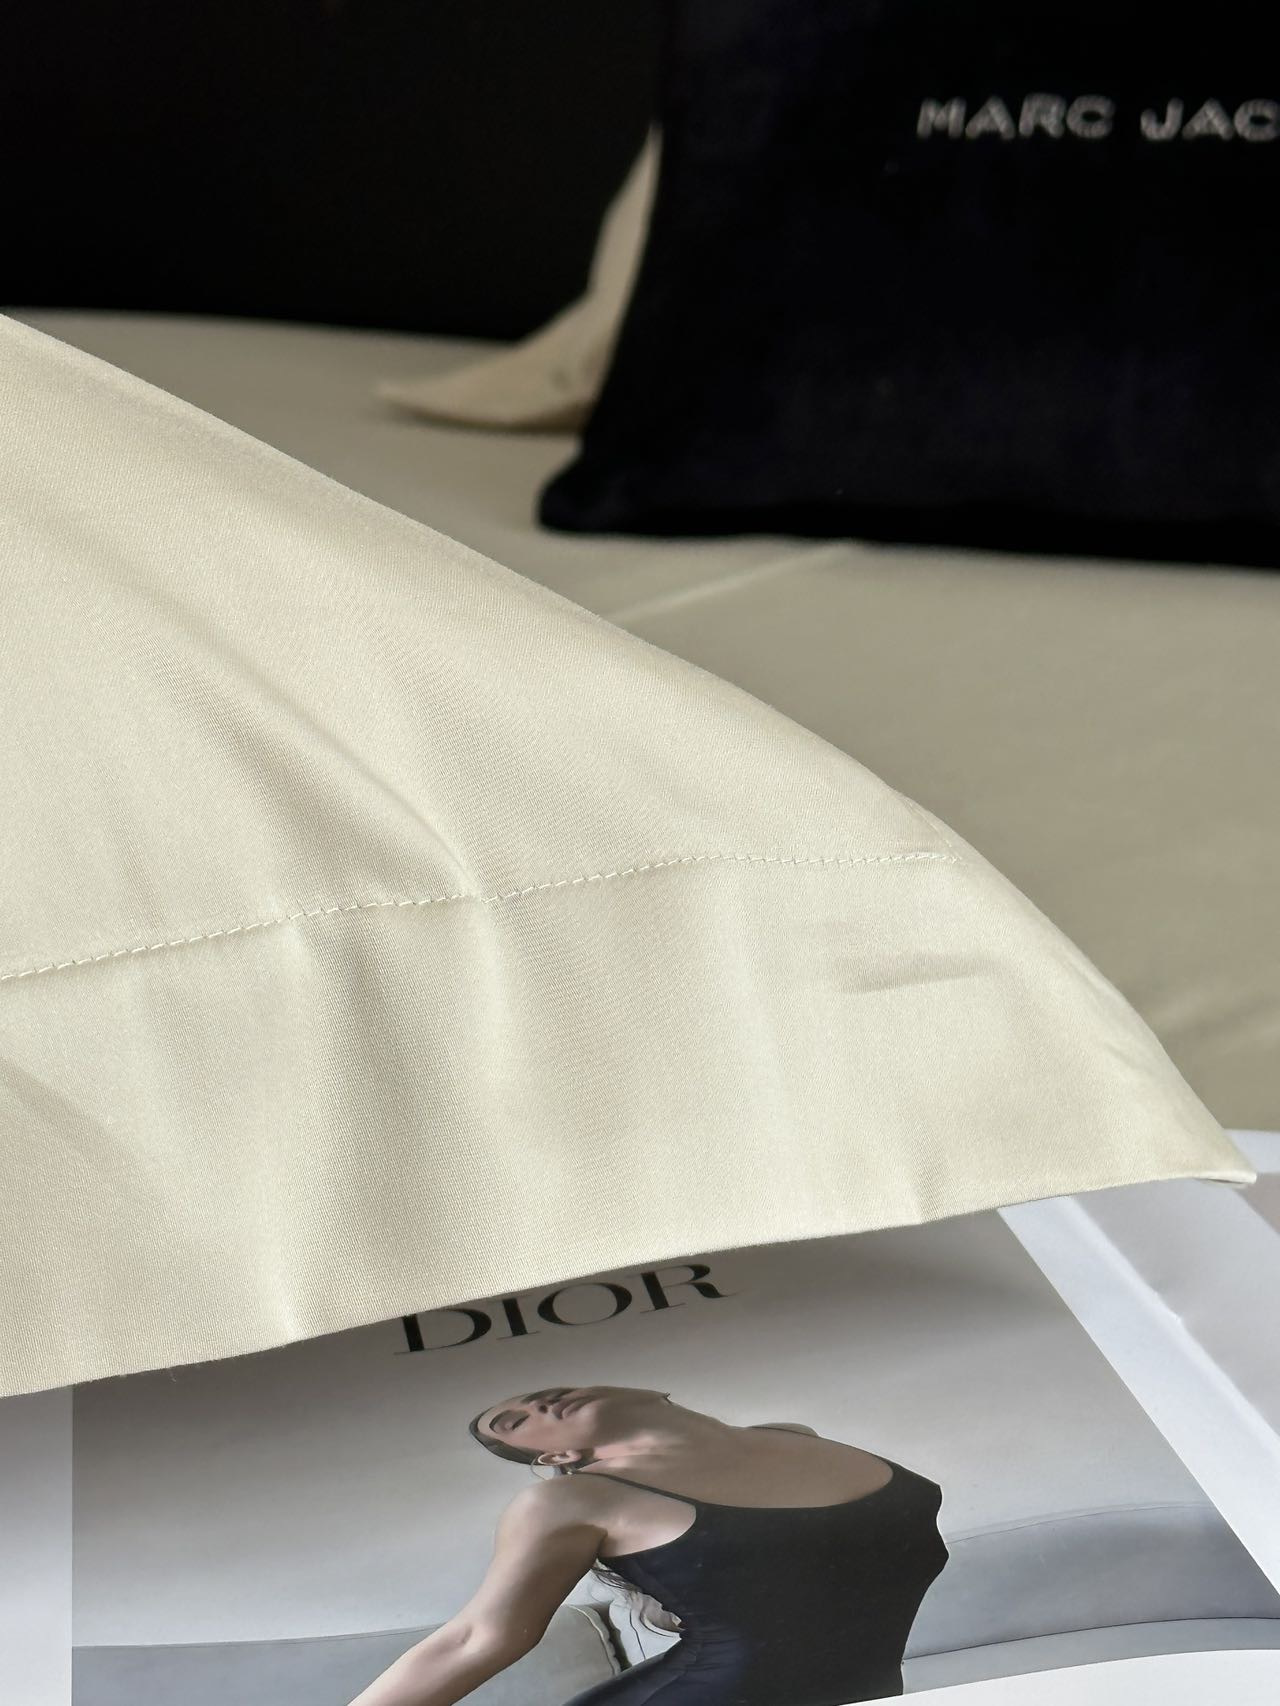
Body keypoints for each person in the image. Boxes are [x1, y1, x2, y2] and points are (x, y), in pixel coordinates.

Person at [345, 1384, 948, 1706]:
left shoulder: (795, 1438)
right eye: (517, 1421)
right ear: (557, 1457)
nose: (537, 1403)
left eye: (546, 1391)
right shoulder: (575, 1501)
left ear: (653, 1390)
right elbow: (475, 1639)